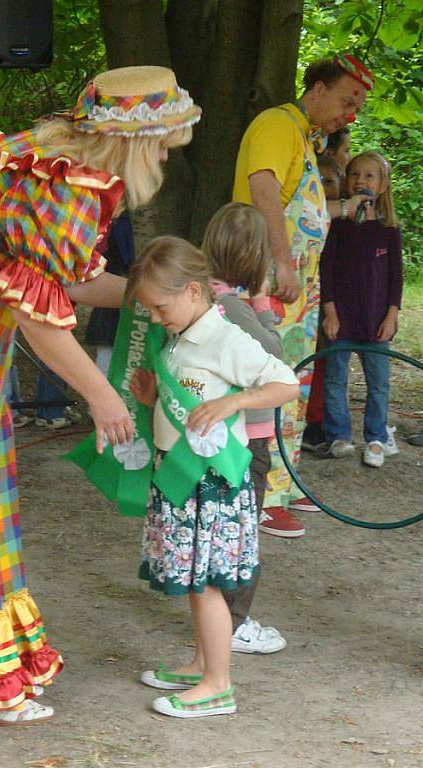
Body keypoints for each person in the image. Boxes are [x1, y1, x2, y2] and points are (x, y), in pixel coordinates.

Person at [0, 66, 201, 725]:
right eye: (164, 141)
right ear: (135, 142)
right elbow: (38, 317)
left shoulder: (47, 157)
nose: (167, 155)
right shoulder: (72, 189)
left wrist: (169, 294)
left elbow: (70, 281)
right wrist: (103, 400)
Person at [127, 236, 299, 718]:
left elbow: (286, 382)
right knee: (195, 581)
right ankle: (204, 663)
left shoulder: (226, 339)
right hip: (183, 479)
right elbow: (187, 410)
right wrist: (152, 400)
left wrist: (236, 402)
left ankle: (218, 685)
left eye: (161, 307)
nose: (157, 318)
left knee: (206, 584)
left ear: (195, 292)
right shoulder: (178, 337)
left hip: (213, 486)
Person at [232, 54, 374, 537]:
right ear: (316, 88)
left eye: (356, 106)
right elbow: (264, 189)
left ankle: (285, 481)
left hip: (297, 291)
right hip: (269, 282)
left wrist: (340, 207)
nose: (350, 114)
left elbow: (304, 208)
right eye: (346, 100)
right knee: (271, 382)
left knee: (294, 384)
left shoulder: (303, 138)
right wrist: (282, 261)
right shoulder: (276, 123)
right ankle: (263, 495)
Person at [202, 202, 286, 651]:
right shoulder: (233, 307)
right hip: (244, 441)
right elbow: (273, 355)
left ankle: (218, 616)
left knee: (219, 528)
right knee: (243, 532)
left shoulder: (203, 297)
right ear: (257, 262)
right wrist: (263, 305)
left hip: (217, 437)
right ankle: (234, 622)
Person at [319, 150, 402, 468]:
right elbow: (326, 269)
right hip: (341, 318)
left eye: (369, 176)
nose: (360, 181)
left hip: (376, 320)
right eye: (354, 174)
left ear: (382, 185)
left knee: (378, 382)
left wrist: (392, 313)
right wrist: (330, 311)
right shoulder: (337, 226)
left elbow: (396, 276)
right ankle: (339, 434)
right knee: (335, 378)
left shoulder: (389, 229)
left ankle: (376, 438)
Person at [301, 155, 345, 453]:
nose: (324, 188)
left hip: (334, 302)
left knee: (326, 361)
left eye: (329, 182)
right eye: (319, 181)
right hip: (308, 295)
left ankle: (317, 420)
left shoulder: (344, 222)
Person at [85, 210, 135, 377]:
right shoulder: (113, 221)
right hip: (108, 282)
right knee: (106, 351)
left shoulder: (119, 220)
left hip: (113, 281)